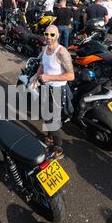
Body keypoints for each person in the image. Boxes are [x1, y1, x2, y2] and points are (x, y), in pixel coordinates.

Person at [32, 25, 75, 159]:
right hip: (45, 87)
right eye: (46, 34)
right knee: (45, 114)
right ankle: (50, 137)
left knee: (53, 120)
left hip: (57, 90)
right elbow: (42, 64)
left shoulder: (62, 52)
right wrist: (36, 76)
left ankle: (58, 147)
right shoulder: (45, 48)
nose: (48, 37)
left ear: (57, 36)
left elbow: (71, 76)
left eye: (52, 35)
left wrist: (49, 77)